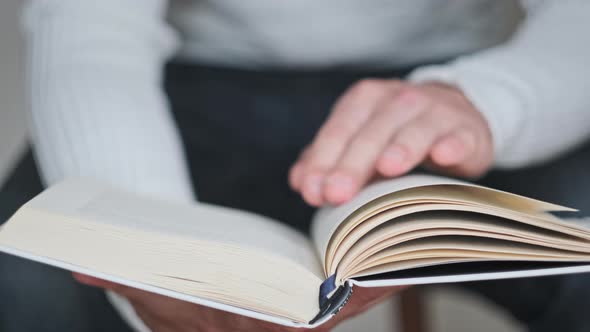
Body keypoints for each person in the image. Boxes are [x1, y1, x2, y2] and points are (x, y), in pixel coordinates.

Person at [1, 0, 590, 331]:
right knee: (26, 282)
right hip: (195, 79)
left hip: (458, 81)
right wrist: (158, 262)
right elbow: (88, 26)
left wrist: (492, 102)